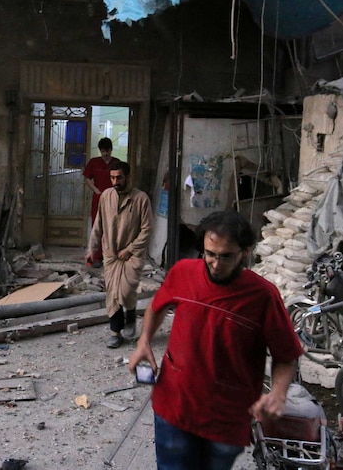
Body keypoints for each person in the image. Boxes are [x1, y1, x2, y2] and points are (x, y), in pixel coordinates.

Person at [127, 210, 302, 470]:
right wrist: (144, 343)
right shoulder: (183, 273)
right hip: (174, 406)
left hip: (226, 419)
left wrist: (278, 393)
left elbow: (286, 355)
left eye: (226, 256)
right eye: (210, 254)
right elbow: (157, 306)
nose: (216, 264)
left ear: (245, 251)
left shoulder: (263, 296)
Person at [86, 160, 151, 348]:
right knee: (113, 294)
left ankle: (130, 317)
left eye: (119, 177)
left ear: (128, 177)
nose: (115, 181)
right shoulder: (106, 196)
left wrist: (130, 249)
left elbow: (147, 230)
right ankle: (115, 332)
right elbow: (98, 225)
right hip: (111, 254)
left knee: (126, 290)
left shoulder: (141, 199)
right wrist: (92, 249)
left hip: (133, 254)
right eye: (112, 177)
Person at [82, 137, 120, 268]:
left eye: (107, 151)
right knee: (97, 227)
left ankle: (110, 256)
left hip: (113, 198)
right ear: (100, 150)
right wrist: (96, 190)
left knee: (112, 227)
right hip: (98, 199)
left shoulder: (116, 163)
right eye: (103, 151)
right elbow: (86, 178)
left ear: (111, 150)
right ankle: (96, 257)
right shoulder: (94, 162)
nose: (105, 154)